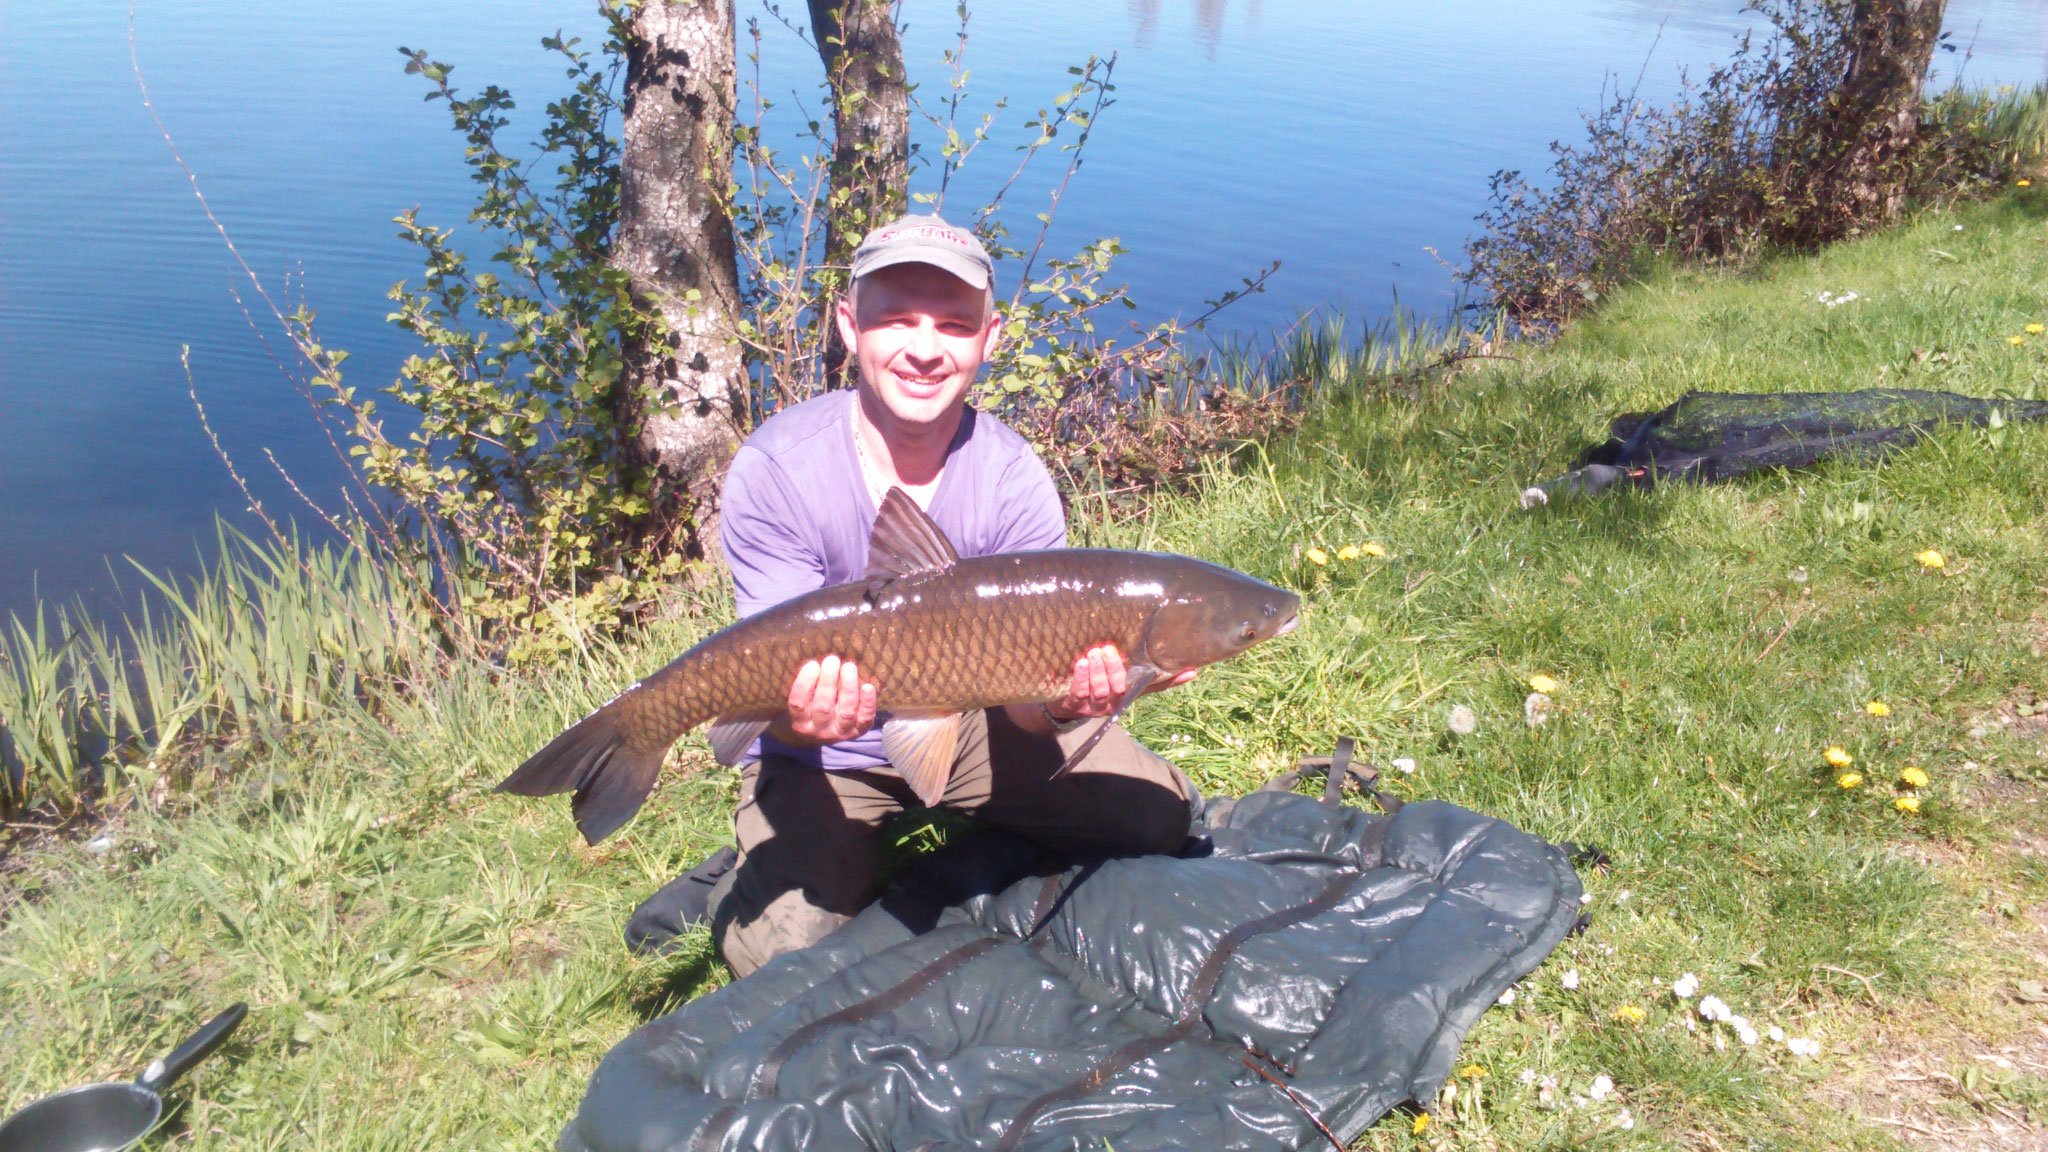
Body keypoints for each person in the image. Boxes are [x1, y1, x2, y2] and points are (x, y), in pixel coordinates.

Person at [624, 214, 1201, 974]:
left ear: (989, 340)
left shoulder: (1011, 476)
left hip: (974, 729)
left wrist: (1068, 703)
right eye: (897, 319)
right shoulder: (777, 467)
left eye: (954, 326)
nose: (925, 349)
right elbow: (762, 693)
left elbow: (1029, 708)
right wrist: (802, 720)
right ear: (848, 325)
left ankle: (967, 824)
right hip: (822, 758)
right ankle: (732, 873)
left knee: (1163, 819)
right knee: (783, 959)